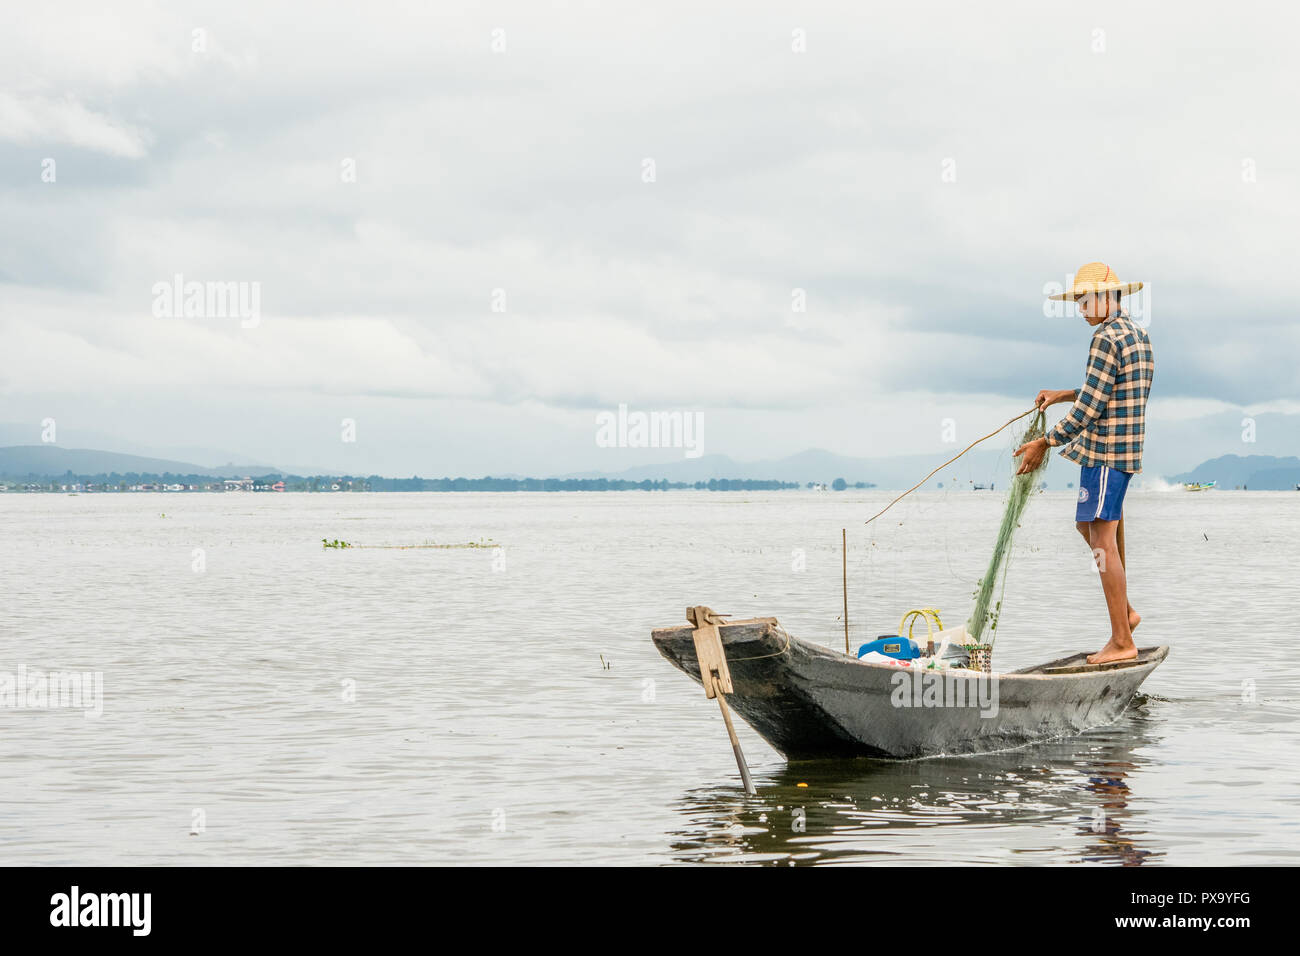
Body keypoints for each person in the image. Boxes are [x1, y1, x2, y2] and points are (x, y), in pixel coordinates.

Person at [1014, 262, 1154, 664]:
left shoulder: (1105, 338)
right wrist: (1063, 394)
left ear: (1106, 297)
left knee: (1103, 540)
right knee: (1088, 527)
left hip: (1107, 452)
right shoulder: (1136, 335)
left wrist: (1044, 441)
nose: (1079, 306)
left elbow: (1091, 408)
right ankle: (1125, 612)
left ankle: (1122, 641)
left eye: (1084, 298)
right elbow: (1106, 388)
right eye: (1076, 298)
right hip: (1118, 452)